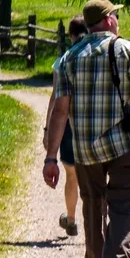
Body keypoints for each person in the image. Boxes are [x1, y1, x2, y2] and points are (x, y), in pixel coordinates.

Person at [43, 0, 130, 258]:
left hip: (85, 150)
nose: (117, 21)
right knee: (124, 206)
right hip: (122, 146)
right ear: (108, 20)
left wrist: (51, 157)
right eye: (115, 16)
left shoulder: (70, 57)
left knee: (93, 208)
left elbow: (60, 112)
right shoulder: (126, 50)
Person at [44, 16, 88, 236]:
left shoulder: (62, 61)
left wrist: (47, 129)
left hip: (69, 125)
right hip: (92, 122)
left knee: (72, 174)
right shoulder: (93, 57)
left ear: (71, 35)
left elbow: (55, 98)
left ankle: (71, 220)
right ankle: (102, 219)